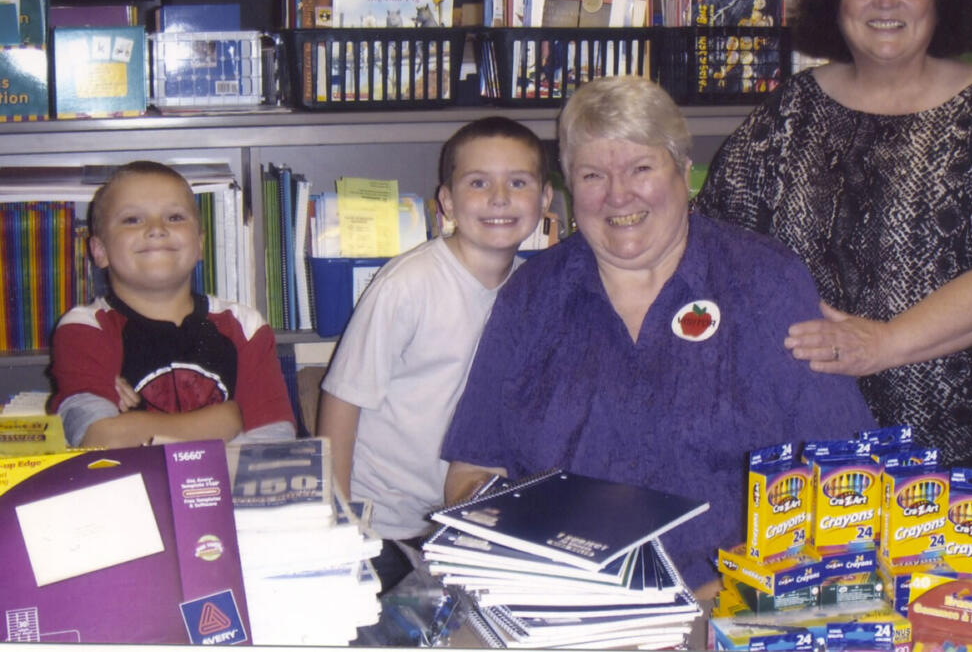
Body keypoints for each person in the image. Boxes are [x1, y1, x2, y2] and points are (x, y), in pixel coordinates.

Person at [441, 77, 875, 595]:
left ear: (684, 172)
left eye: (641, 168)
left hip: (731, 607)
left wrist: (741, 589)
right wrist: (533, 558)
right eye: (593, 175)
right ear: (571, 188)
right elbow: (471, 473)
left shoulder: (763, 281)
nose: (618, 194)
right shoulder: (531, 297)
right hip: (565, 603)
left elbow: (843, 473)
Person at [693, 0, 972, 481]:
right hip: (815, 432)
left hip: (969, 442)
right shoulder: (791, 111)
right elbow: (717, 236)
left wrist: (884, 343)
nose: (885, 0)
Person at [317, 116, 553, 594]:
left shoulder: (536, 290)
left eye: (519, 182)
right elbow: (342, 401)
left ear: (545, 200)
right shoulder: (407, 285)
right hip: (385, 522)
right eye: (478, 182)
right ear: (446, 201)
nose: (499, 198)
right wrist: (338, 519)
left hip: (472, 522)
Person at [50, 160, 295, 449]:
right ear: (100, 251)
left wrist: (136, 426)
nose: (156, 229)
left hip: (225, 493)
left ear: (201, 245)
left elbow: (274, 446)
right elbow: (98, 439)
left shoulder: (245, 325)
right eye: (132, 219)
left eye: (175, 217)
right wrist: (224, 420)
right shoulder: (84, 329)